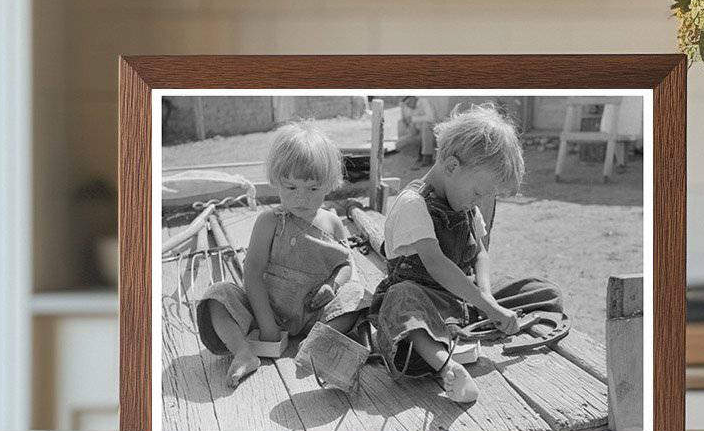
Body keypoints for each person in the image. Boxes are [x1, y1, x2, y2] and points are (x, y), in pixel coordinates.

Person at [370, 103, 525, 404]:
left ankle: (462, 330)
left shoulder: (465, 206)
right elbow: (438, 265)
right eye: (479, 193)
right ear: (452, 166)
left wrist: (488, 296)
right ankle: (447, 366)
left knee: (541, 291)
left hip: (461, 297)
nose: (479, 201)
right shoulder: (413, 204)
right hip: (421, 300)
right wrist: (489, 308)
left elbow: (480, 253)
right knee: (403, 299)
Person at [196, 120, 367, 387]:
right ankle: (243, 352)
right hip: (267, 308)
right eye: (291, 187)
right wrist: (266, 325)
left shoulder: (332, 222)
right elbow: (251, 274)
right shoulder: (270, 222)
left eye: (312, 188)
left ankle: (316, 344)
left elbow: (345, 265)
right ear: (277, 182)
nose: (302, 198)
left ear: (329, 184)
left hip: (314, 313)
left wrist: (333, 286)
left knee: (357, 295)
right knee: (217, 296)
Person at [396, 95, 436, 166]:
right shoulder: (407, 107)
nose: (408, 105)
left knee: (426, 125)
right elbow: (407, 123)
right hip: (417, 132)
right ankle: (418, 155)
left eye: (408, 103)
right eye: (406, 104)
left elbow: (430, 118)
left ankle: (427, 156)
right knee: (399, 144)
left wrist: (413, 119)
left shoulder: (423, 101)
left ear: (413, 98)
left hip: (430, 130)